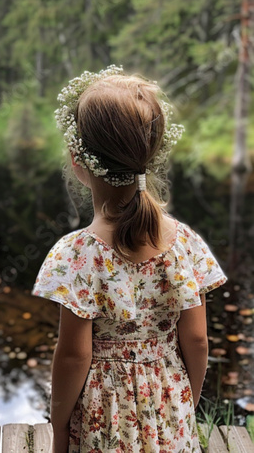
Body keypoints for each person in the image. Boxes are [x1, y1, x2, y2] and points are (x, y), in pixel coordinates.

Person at [31, 66, 228, 453]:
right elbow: (198, 340)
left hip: (104, 414)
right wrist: (185, 399)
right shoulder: (185, 244)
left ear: (78, 160)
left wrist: (58, 430)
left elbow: (73, 356)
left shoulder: (77, 256)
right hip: (169, 403)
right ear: (150, 156)